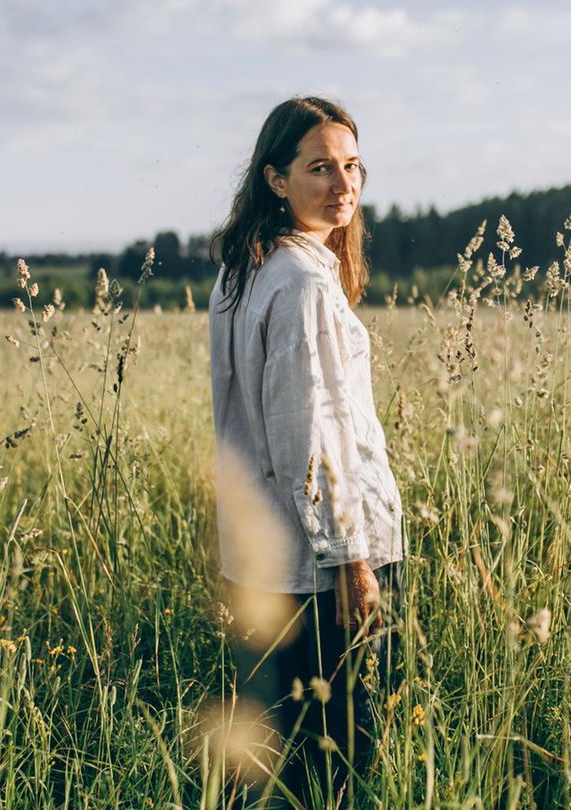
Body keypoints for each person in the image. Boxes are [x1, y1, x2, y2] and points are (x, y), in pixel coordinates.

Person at [208, 96, 405, 807]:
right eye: (319, 167)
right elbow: (310, 435)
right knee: (337, 764)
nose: (343, 184)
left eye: (352, 165)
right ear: (274, 179)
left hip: (267, 561)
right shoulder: (299, 283)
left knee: (269, 765)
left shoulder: (245, 271)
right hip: (320, 570)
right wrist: (352, 561)